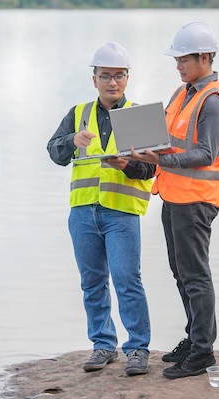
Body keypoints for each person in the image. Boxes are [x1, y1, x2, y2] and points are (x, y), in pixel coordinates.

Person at [129, 22, 219, 379]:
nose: (177, 66)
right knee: (181, 274)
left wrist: (161, 160)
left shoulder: (213, 102)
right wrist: (140, 147)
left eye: (183, 60)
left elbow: (205, 153)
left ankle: (203, 351)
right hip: (173, 196)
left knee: (195, 277)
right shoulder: (182, 92)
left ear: (204, 57)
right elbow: (167, 136)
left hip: (196, 201)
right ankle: (194, 339)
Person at [46, 42, 155, 376]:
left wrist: (126, 165)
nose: (112, 83)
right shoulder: (78, 114)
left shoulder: (138, 115)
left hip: (121, 212)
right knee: (92, 282)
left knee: (127, 280)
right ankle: (103, 345)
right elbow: (53, 151)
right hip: (82, 212)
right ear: (94, 79)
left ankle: (137, 349)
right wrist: (71, 142)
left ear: (127, 78)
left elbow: (151, 169)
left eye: (118, 76)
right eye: (105, 76)